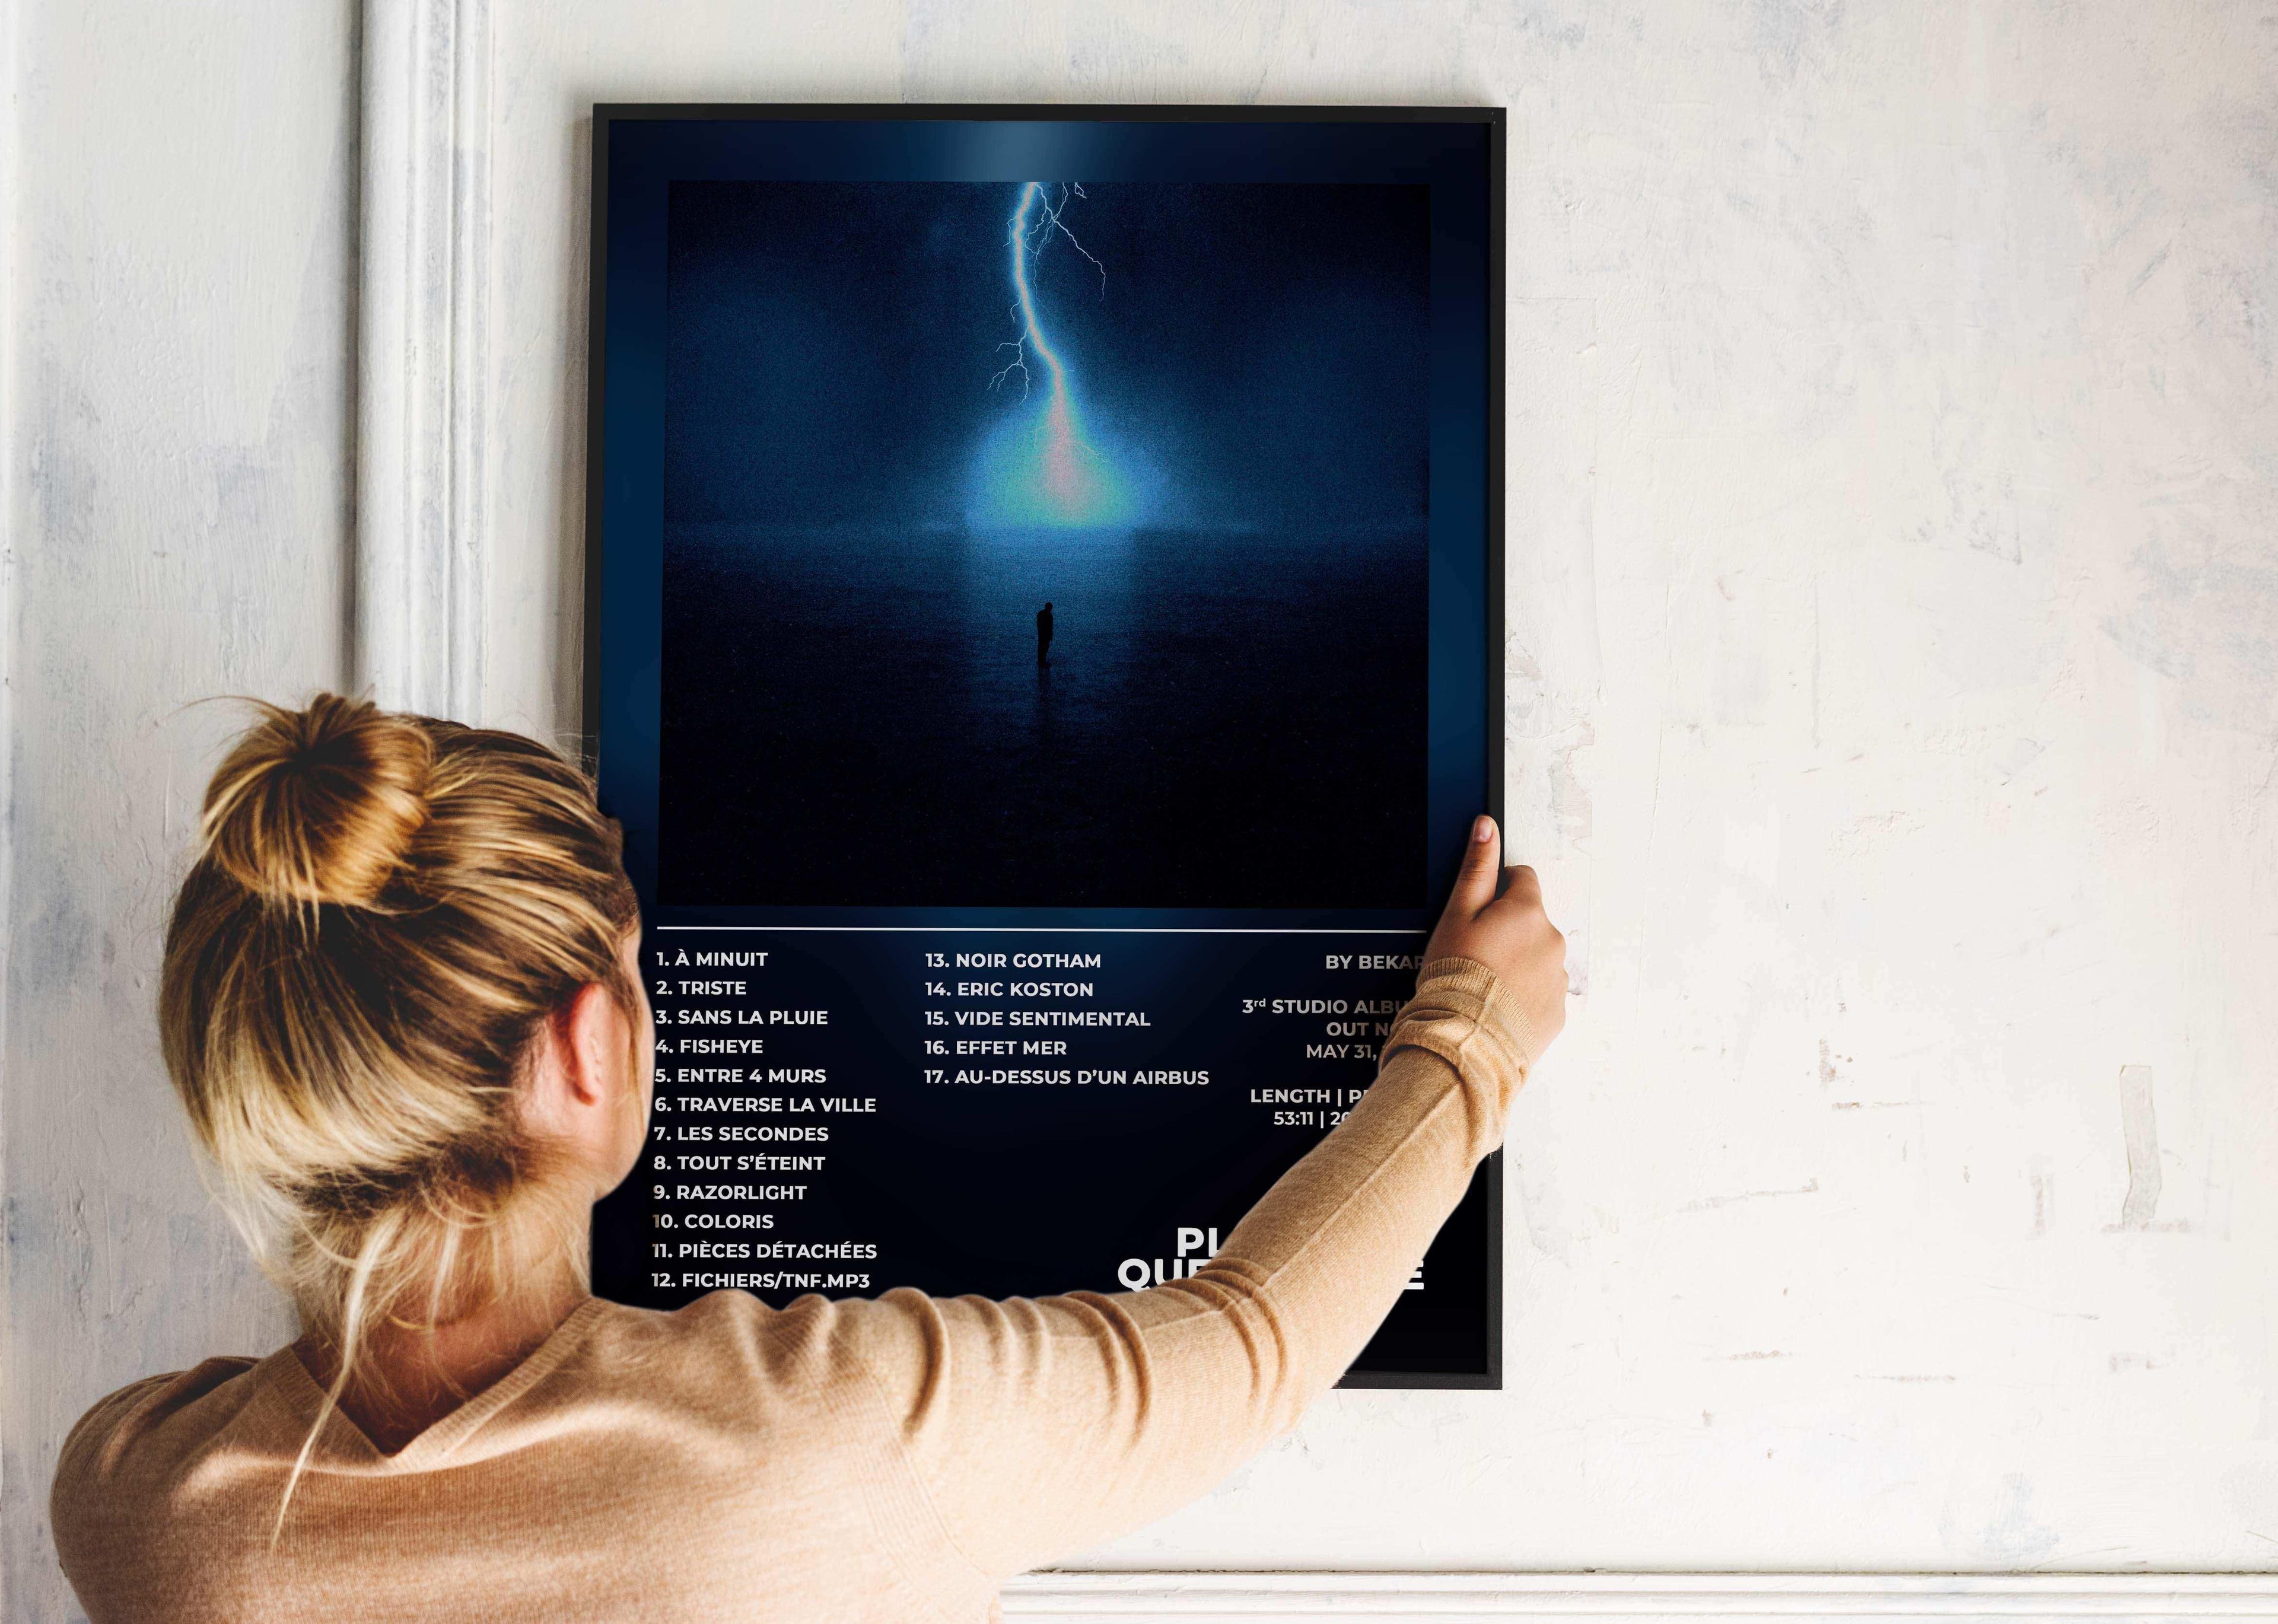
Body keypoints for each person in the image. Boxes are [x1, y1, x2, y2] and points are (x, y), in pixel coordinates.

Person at [49, 694, 1566, 1623]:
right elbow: (1245, 1341)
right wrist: (1468, 1038)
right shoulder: (829, 1449)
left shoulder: (138, 1505)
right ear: (583, 1055)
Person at [1036, 599, 1054, 665]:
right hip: (1046, 634)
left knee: (1041, 647)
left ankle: (1040, 661)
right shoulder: (1049, 616)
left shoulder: (1040, 613)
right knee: (1045, 648)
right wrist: (1050, 636)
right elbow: (1050, 627)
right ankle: (1043, 661)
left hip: (1041, 633)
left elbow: (1038, 623)